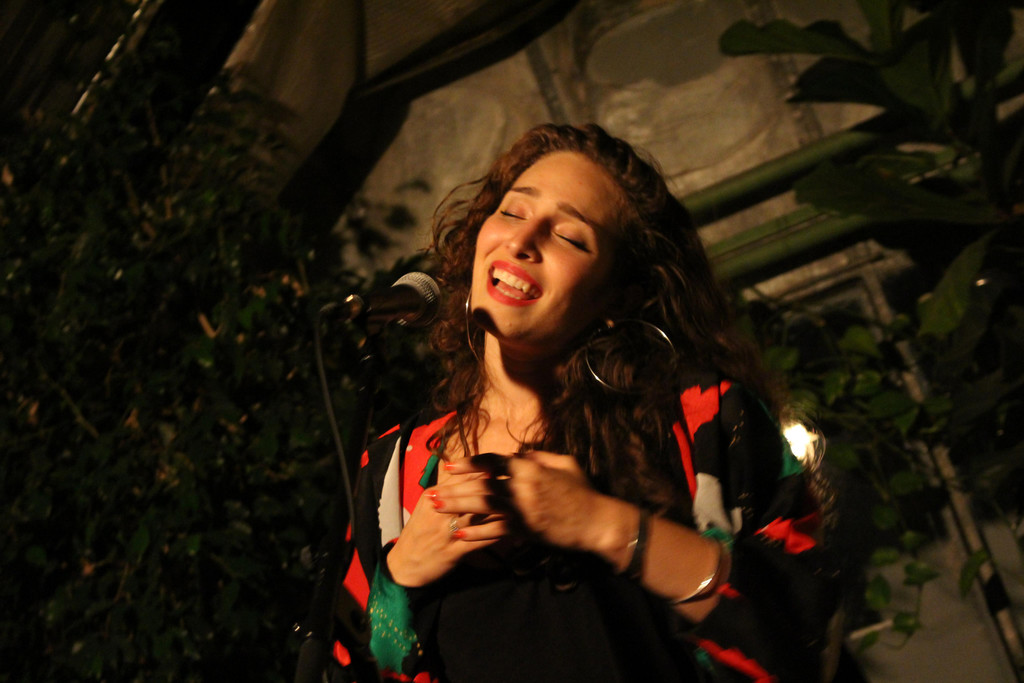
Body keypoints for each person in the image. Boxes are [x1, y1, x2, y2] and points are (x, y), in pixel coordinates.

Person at [330, 124, 840, 682]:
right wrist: (400, 576)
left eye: (570, 238)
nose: (523, 241)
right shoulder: (393, 472)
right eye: (512, 212)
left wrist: (602, 524)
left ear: (618, 296)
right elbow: (349, 665)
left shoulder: (703, 419)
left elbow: (801, 633)